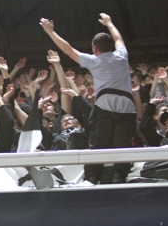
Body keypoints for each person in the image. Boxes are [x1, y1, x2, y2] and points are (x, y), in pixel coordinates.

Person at [40, 13, 136, 184]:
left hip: (105, 105)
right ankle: (118, 175)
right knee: (123, 144)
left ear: (94, 49)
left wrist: (50, 32)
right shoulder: (122, 56)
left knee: (98, 143)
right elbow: (118, 38)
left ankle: (92, 176)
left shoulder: (93, 61)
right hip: (127, 106)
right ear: (111, 46)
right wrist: (109, 23)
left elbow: (67, 49)